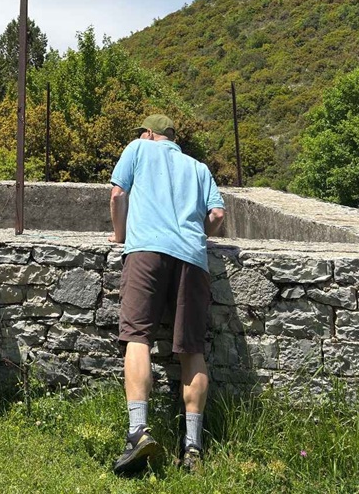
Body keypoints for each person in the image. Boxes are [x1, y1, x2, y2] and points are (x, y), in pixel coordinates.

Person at [108, 114, 226, 475]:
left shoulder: (138, 148)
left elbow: (117, 194)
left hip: (146, 251)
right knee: (191, 349)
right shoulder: (198, 167)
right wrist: (189, 233)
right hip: (192, 258)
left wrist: (120, 235)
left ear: (148, 133)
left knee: (137, 337)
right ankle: (192, 448)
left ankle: (138, 433)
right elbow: (217, 216)